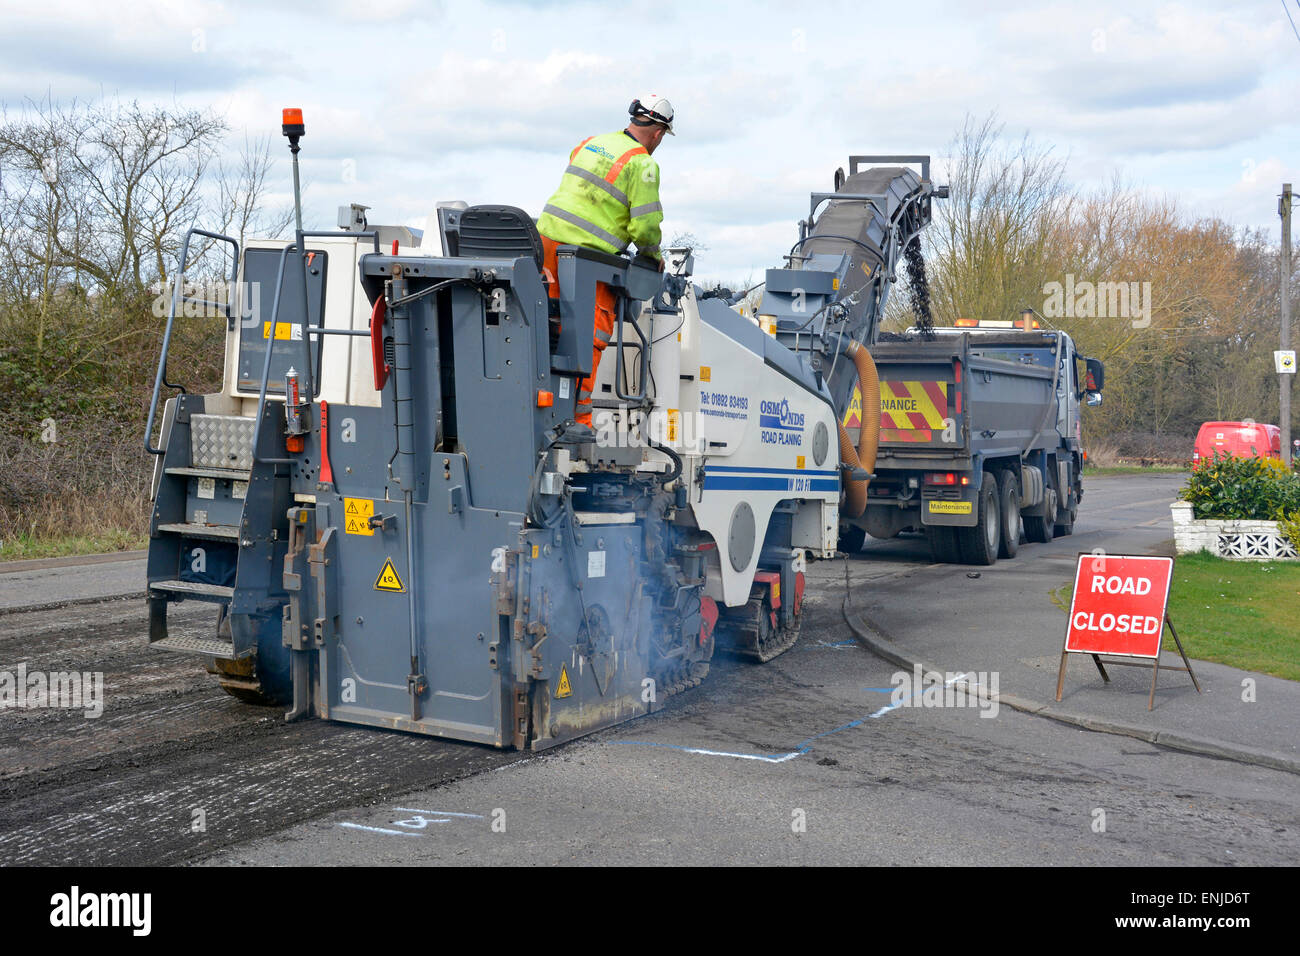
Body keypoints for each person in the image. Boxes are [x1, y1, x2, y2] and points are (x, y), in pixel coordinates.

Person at [538, 95, 674, 425]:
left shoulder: (591, 143)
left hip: (544, 245)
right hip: (586, 261)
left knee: (545, 330)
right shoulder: (643, 164)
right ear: (658, 133)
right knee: (589, 337)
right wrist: (654, 256)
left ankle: (541, 410)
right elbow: (644, 227)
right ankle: (575, 422)